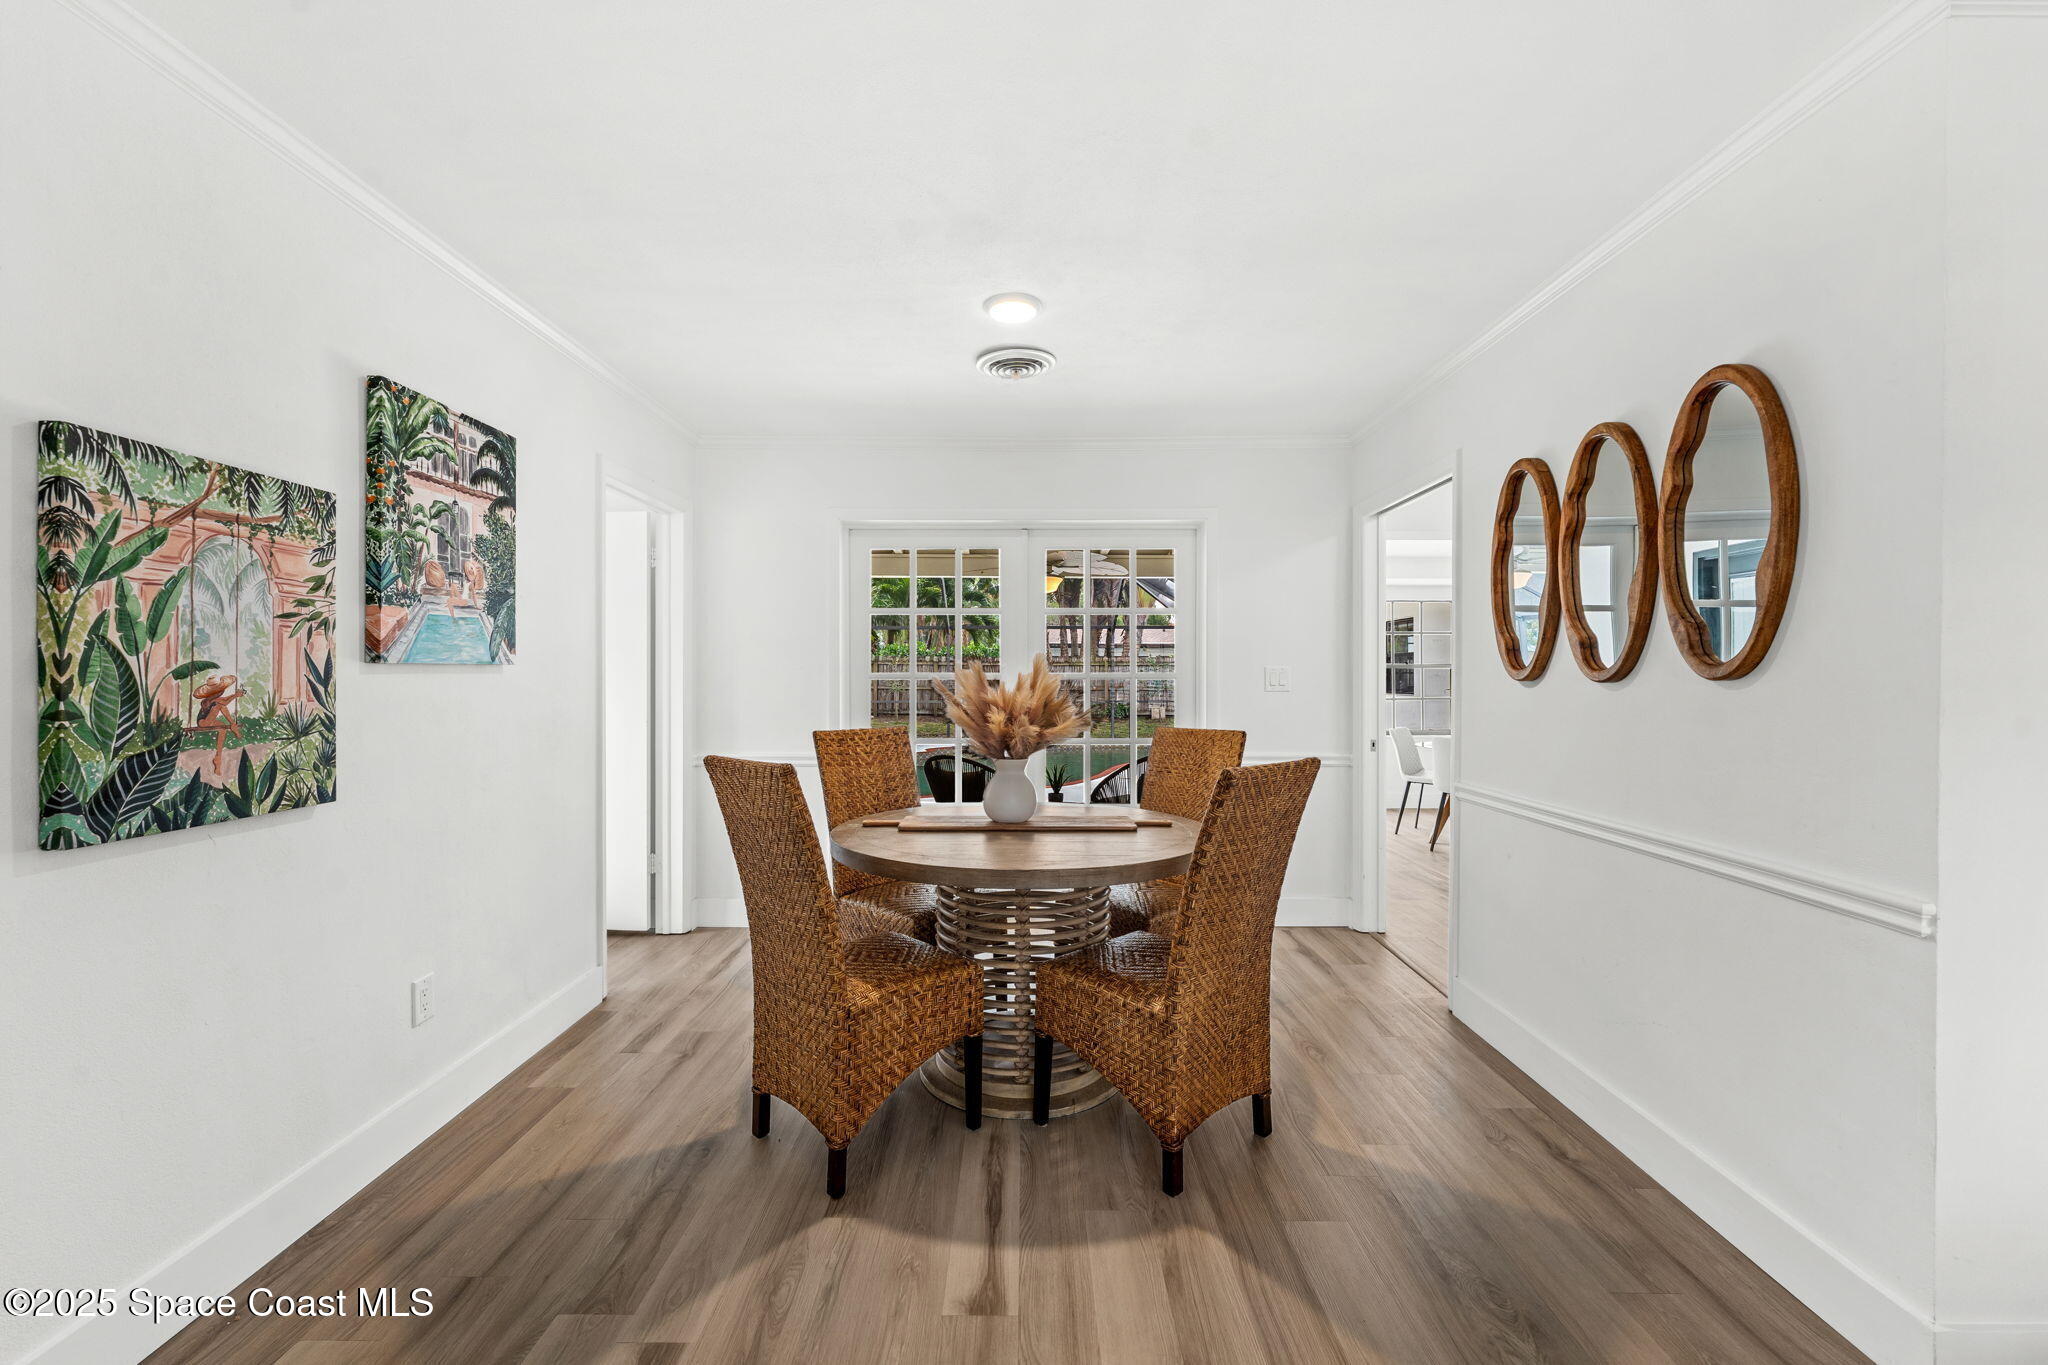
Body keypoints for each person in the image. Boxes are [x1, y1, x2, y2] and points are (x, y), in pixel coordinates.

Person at [191, 674, 246, 774]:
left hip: (210, 721)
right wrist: (235, 696)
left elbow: (224, 700)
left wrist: (236, 695)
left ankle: (218, 758)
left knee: (222, 729)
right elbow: (224, 702)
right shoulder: (208, 701)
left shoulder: (215, 700)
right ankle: (234, 726)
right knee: (220, 707)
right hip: (203, 722)